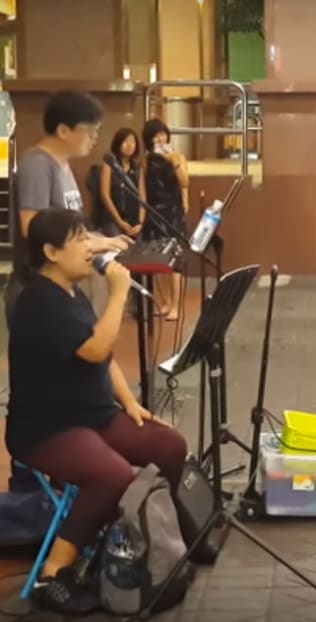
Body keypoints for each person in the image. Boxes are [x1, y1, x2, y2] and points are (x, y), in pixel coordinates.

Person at [4, 209, 188, 614]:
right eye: (80, 240)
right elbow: (97, 348)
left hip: (93, 416)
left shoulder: (72, 292)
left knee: (170, 446)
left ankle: (158, 546)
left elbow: (103, 362)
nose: (91, 247)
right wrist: (119, 291)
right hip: (47, 429)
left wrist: (130, 402)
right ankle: (53, 575)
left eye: (89, 237)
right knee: (112, 474)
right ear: (51, 252)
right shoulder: (38, 300)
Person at [4, 90, 131, 492]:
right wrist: (94, 245)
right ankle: (35, 490)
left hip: (66, 291)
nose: (94, 137)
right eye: (89, 130)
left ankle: (70, 479)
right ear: (62, 129)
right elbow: (36, 229)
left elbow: (69, 231)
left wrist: (98, 239)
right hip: (41, 293)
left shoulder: (61, 164)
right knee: (45, 391)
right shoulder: (37, 165)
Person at [141, 118, 189, 321]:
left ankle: (177, 306)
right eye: (155, 135)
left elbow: (185, 182)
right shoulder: (146, 160)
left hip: (173, 211)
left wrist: (174, 162)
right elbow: (142, 188)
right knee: (158, 259)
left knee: (175, 260)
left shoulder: (177, 156)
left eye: (162, 134)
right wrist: (142, 215)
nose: (160, 139)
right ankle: (166, 302)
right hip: (154, 211)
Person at [97, 127, 145, 238]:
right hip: (113, 220)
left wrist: (140, 222)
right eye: (125, 141)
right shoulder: (109, 165)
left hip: (135, 221)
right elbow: (105, 195)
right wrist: (119, 222)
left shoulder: (138, 167)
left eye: (132, 142)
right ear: (118, 143)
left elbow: (142, 197)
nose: (129, 145)